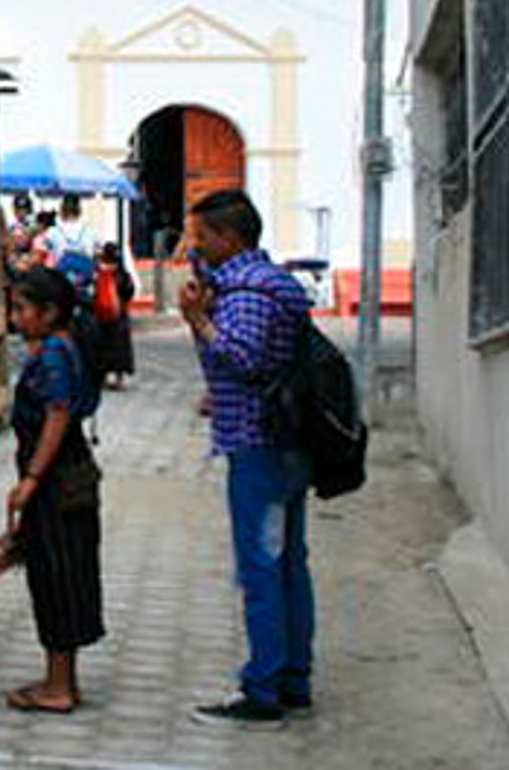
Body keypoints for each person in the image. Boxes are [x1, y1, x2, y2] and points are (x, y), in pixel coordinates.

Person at [179, 190, 316, 730]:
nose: (196, 246)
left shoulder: (248, 290)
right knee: (287, 564)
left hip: (260, 444)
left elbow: (245, 356)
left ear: (229, 237)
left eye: (203, 236)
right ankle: (294, 676)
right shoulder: (277, 283)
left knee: (261, 565)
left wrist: (200, 321)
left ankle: (262, 689)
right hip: (283, 441)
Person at [3, 267, 106, 713]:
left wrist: (31, 479)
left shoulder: (53, 357)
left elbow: (58, 414)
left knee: (56, 575)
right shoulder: (64, 348)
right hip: (69, 475)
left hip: (56, 479)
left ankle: (59, 685)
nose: (15, 317)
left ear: (50, 312)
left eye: (22, 309)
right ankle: (61, 677)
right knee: (63, 571)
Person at [91, 243, 136, 390]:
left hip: (103, 316)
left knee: (103, 346)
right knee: (118, 348)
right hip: (117, 316)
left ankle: (105, 376)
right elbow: (129, 290)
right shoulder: (121, 274)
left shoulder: (98, 273)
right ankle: (118, 377)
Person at [46, 196, 96, 288]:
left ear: (62, 210)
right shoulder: (90, 230)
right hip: (84, 284)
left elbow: (45, 252)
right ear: (80, 210)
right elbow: (96, 251)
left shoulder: (52, 231)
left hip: (61, 283)